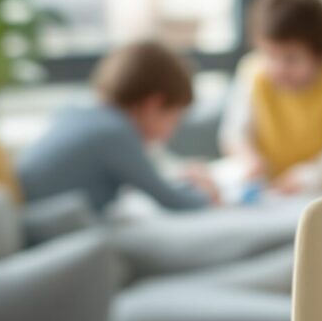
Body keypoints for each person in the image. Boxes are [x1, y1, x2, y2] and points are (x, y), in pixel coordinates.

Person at [16, 39, 218, 213]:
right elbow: (174, 202)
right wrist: (208, 193)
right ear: (153, 105)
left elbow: (149, 182)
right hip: (50, 225)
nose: (174, 129)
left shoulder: (79, 112)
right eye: (175, 117)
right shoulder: (115, 133)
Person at [219, 0, 322, 197]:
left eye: (291, 59)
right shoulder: (253, 74)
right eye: (270, 55)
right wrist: (249, 158)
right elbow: (235, 132)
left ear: (320, 55)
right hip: (274, 188)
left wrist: (312, 174)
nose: (279, 67)